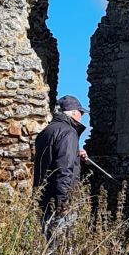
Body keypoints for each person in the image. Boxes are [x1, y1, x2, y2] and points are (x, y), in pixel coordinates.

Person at [32, 95, 88, 243]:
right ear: (74, 112)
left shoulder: (46, 132)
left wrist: (75, 154)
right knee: (60, 249)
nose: (82, 117)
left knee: (46, 245)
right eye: (81, 113)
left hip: (43, 199)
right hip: (58, 202)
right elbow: (64, 169)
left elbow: (50, 161)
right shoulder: (69, 133)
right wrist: (63, 202)